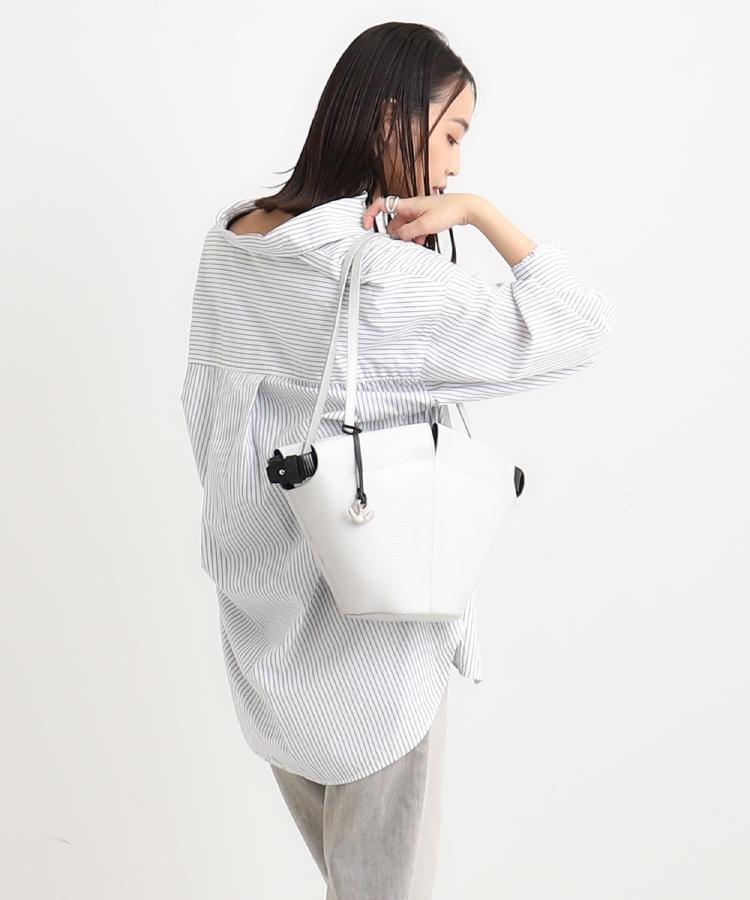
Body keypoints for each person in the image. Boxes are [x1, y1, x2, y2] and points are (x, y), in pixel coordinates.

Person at [180, 21, 615, 900]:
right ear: (390, 120)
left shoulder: (232, 246)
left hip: (267, 635)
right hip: (378, 646)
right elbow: (577, 328)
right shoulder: (376, 277)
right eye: (451, 135)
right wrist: (480, 215)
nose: (454, 166)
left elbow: (210, 415)